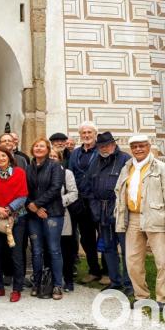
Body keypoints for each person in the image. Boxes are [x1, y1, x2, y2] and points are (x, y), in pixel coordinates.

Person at [115, 135, 165, 307]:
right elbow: (120, 193)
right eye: (134, 147)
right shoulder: (127, 167)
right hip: (133, 218)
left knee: (162, 261)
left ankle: (163, 299)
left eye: (141, 146)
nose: (138, 149)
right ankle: (141, 296)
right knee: (132, 260)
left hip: (155, 217)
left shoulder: (161, 167)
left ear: (149, 146)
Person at [87, 132, 133, 295]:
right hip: (101, 212)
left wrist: (121, 208)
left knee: (127, 249)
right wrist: (95, 208)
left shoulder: (125, 159)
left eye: (106, 145)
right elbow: (88, 187)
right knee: (108, 248)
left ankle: (129, 284)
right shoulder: (95, 161)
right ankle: (115, 282)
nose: (104, 148)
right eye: (100, 146)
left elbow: (131, 187)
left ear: (114, 144)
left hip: (120, 210)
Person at [0, 146, 27, 302]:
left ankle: (17, 289)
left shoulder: (19, 173)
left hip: (16, 219)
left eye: (3, 156)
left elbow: (23, 196)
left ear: (9, 157)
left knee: (16, 254)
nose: (1, 159)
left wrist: (9, 209)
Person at [26, 137, 65, 300]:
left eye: (42, 146)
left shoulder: (55, 166)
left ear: (48, 149)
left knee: (54, 249)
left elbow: (56, 188)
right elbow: (24, 190)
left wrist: (37, 205)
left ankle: (57, 285)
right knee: (36, 251)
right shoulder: (29, 167)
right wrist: (32, 207)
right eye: (36, 146)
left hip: (52, 213)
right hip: (34, 215)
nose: (39, 148)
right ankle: (37, 282)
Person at [68, 121, 104, 283]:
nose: (87, 135)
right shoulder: (75, 153)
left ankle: (108, 271)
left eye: (89, 132)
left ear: (95, 134)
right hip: (81, 202)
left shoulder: (102, 150)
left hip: (98, 200)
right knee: (86, 238)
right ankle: (93, 270)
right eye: (83, 133)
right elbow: (70, 174)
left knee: (104, 236)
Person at [49, 147, 79, 293]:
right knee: (49, 249)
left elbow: (74, 193)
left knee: (65, 249)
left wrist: (59, 201)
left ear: (60, 159)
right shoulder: (42, 172)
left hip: (62, 214)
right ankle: (52, 279)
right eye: (50, 156)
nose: (52, 158)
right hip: (45, 215)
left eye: (55, 156)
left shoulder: (67, 173)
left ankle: (68, 280)